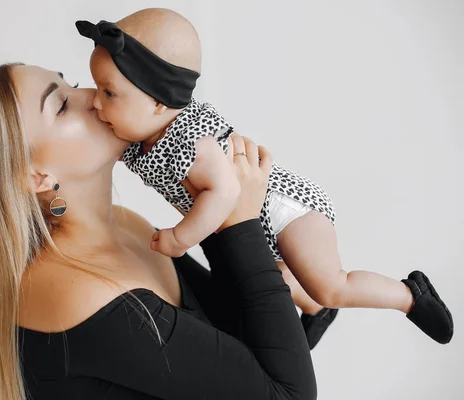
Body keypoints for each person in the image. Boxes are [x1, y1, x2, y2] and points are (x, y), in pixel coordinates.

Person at [76, 8, 454, 349]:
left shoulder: (191, 141)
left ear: (157, 101)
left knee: (329, 284)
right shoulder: (137, 134)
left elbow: (225, 194)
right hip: (256, 229)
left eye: (108, 93)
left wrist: (180, 237)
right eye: (96, 88)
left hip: (289, 212)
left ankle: (409, 295)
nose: (96, 101)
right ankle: (314, 309)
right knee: (270, 281)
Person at [0, 63, 317, 399]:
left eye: (70, 83)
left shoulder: (127, 227)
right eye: (61, 105)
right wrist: (239, 222)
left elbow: (245, 351)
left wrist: (273, 270)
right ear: (37, 177)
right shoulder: (75, 291)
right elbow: (289, 393)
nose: (91, 96)